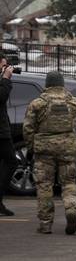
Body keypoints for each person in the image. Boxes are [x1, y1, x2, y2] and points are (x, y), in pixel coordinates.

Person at [22, 71, 76, 234]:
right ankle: (71, 208)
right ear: (62, 84)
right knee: (69, 182)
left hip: (44, 150)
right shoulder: (75, 103)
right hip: (68, 149)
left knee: (44, 185)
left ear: (47, 84)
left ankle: (45, 223)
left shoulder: (37, 104)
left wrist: (31, 147)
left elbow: (27, 129)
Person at [0, 54, 17, 216]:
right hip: (1, 133)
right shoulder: (3, 80)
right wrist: (6, 78)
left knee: (9, 162)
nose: (5, 69)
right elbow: (1, 97)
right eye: (3, 65)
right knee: (11, 161)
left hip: (3, 131)